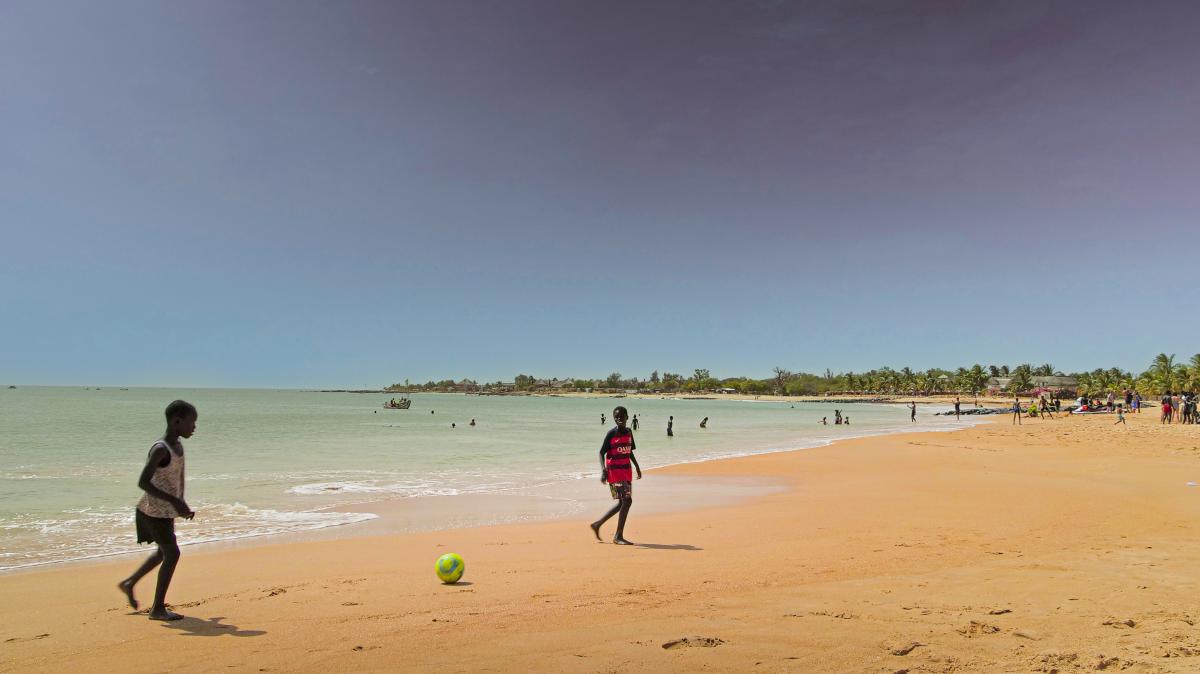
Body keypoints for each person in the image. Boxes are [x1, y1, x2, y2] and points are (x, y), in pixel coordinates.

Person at [117, 400, 197, 621]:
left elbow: (174, 480)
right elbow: (143, 482)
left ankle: (129, 583)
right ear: (176, 421)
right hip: (152, 511)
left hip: (164, 511)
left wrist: (181, 505)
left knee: (164, 551)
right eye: (192, 422)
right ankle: (158, 609)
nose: (194, 427)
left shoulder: (178, 446)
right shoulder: (161, 449)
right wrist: (176, 502)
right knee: (172, 553)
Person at [590, 406, 641, 545]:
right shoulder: (611, 433)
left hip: (626, 471)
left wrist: (637, 466)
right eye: (616, 417)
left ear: (627, 418)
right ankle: (618, 536)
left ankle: (598, 524)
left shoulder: (629, 432)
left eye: (622, 416)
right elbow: (601, 452)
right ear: (614, 418)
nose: (619, 419)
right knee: (627, 501)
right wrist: (603, 470)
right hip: (614, 471)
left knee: (622, 503)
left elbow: (630, 451)